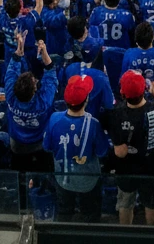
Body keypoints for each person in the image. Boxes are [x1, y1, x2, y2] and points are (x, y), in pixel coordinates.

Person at [105, 70, 154, 226]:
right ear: (144, 90)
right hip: (151, 170)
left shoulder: (116, 114)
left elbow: (120, 153)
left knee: (125, 204)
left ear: (122, 92)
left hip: (127, 172)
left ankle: (126, 235)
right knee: (152, 206)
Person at [43, 73, 110, 220]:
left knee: (64, 214)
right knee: (90, 215)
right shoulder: (93, 124)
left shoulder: (54, 119)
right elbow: (101, 152)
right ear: (86, 100)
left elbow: (47, 147)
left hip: (63, 179)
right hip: (89, 181)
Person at [3, 32, 58, 176]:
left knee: (19, 177)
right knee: (45, 176)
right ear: (35, 90)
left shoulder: (10, 95)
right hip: (41, 143)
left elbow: (11, 70)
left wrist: (18, 50)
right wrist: (44, 51)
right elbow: (50, 73)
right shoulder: (43, 101)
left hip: (18, 144)